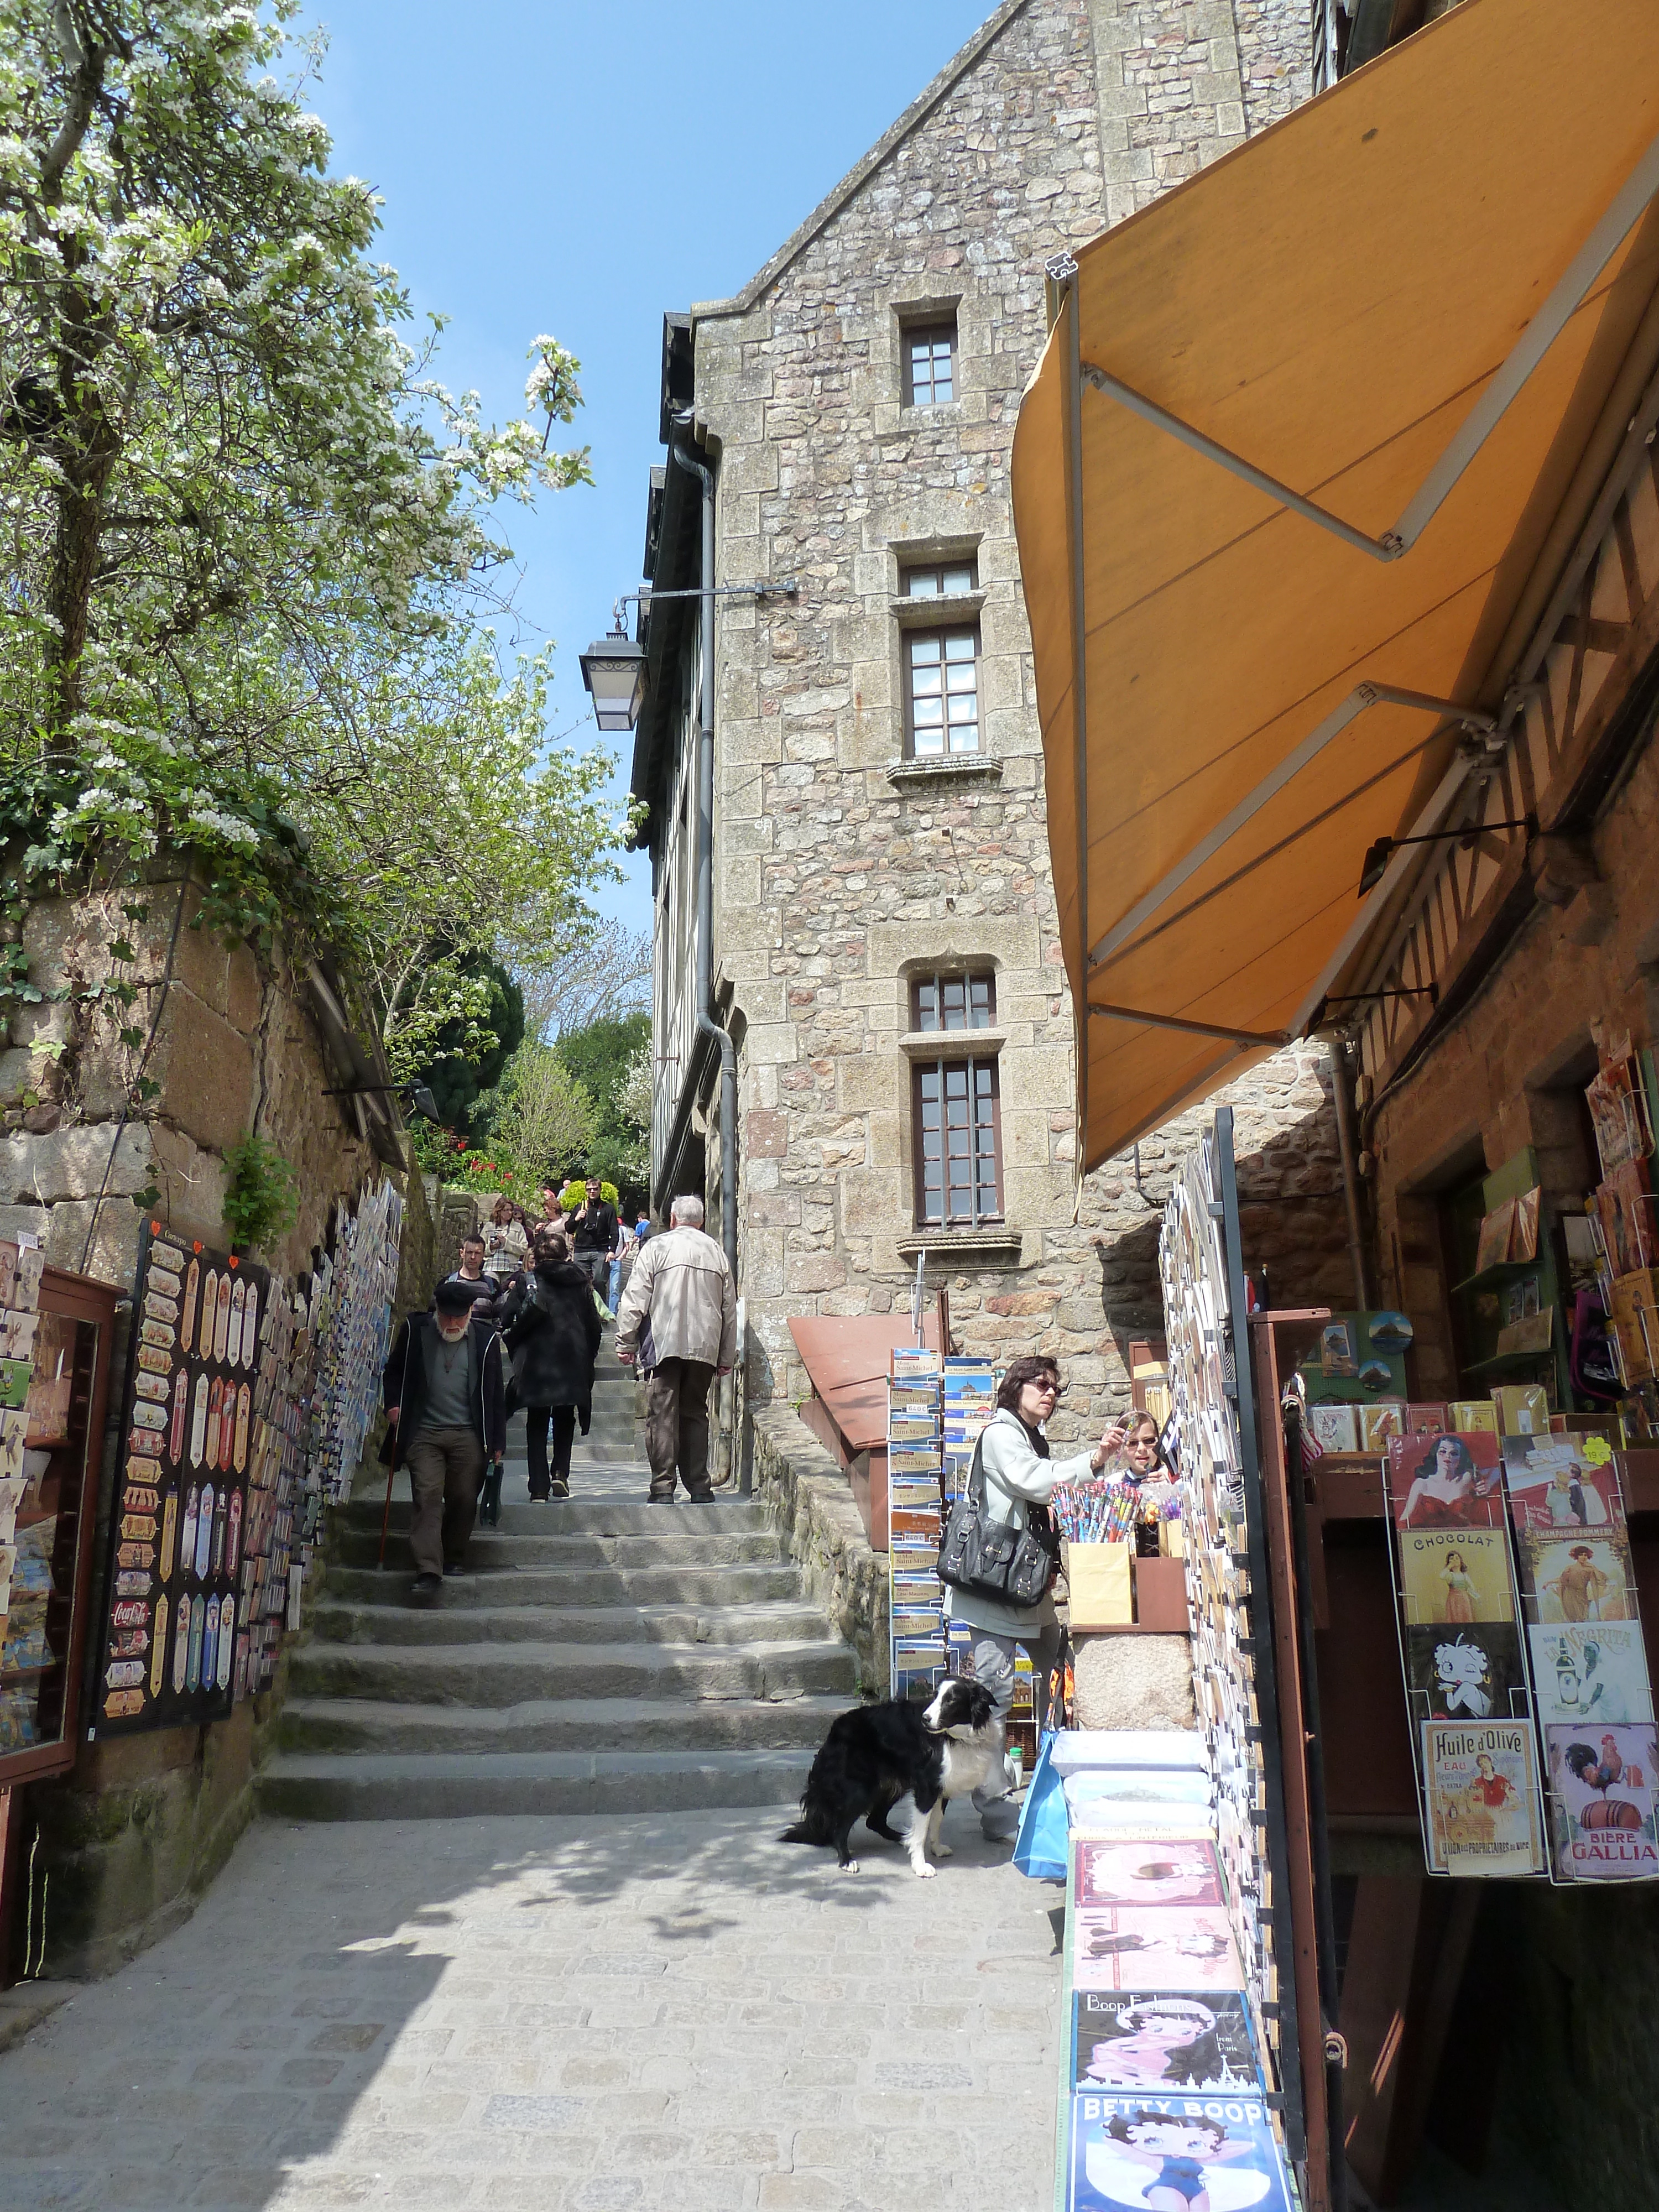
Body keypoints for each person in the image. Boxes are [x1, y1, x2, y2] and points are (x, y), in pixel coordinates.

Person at [946, 1353, 1121, 1841]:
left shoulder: (1028, 1435)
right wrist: (1093, 1461)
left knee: (1063, 1670)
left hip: (1024, 1588)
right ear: (1016, 1387)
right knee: (995, 1699)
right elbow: (1033, 1482)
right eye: (1040, 1384)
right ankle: (997, 1811)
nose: (1050, 1393)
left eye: (1056, 1388)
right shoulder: (1002, 1434)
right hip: (993, 1588)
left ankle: (1060, 1771)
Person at [382, 1277, 506, 1599]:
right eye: (447, 1315)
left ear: (470, 1313)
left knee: (465, 1496)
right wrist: (393, 1406)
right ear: (437, 1310)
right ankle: (428, 1569)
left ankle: (454, 1555)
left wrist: (498, 1443)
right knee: (428, 1496)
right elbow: (393, 1371)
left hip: (468, 1432)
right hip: (424, 1432)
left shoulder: (486, 1339)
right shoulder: (415, 1331)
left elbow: (495, 1394)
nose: (452, 1323)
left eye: (459, 1316)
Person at [614, 1193, 735, 1503]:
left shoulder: (657, 1247)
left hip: (664, 1341)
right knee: (695, 1412)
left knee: (662, 1413)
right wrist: (725, 1355)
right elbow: (729, 1309)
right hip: (705, 1346)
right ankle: (700, 1487)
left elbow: (635, 1297)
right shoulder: (717, 1252)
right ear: (702, 1222)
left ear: (672, 1220)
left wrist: (625, 1340)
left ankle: (663, 1487)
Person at [498, 1229, 603, 1501]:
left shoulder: (528, 1281)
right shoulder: (581, 1283)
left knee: (537, 1421)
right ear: (566, 1256)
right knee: (565, 1418)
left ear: (537, 1257)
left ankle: (539, 1487)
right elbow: (593, 1325)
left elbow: (507, 1316)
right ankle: (560, 1473)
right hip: (573, 1360)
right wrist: (587, 1357)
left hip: (537, 1362)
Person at [570, 1173, 619, 1309]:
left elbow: (614, 1232)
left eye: (595, 1189)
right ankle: (582, 1311)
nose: (592, 1192)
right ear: (586, 1191)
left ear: (600, 1190)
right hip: (581, 1251)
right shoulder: (580, 1207)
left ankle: (601, 1311)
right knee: (580, 1282)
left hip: (599, 1251)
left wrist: (612, 1251)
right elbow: (569, 1229)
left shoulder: (608, 1209)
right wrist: (576, 1219)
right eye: (589, 1189)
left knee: (599, 1281)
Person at [441, 1232, 500, 1314]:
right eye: (469, 1252)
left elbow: (499, 1319)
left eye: (477, 1253)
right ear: (462, 1253)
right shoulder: (448, 1283)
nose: (473, 1257)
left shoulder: (493, 1286)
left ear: (483, 1255)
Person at [482, 1196, 530, 1286]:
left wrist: (506, 1243)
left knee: (507, 1294)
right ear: (499, 1211)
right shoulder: (489, 1227)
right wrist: (491, 1247)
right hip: (491, 1266)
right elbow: (480, 1248)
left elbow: (524, 1248)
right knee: (491, 1289)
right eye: (506, 1210)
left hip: (510, 1267)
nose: (510, 1213)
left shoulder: (518, 1227)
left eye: (511, 1210)